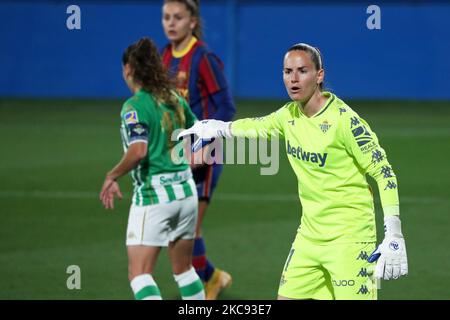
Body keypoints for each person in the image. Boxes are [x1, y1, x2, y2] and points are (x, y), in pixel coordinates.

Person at [177, 43, 408, 300]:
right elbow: (257, 127)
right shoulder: (289, 115)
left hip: (349, 240)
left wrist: (394, 232)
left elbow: (384, 172)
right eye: (288, 71)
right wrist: (216, 128)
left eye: (302, 71)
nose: (293, 79)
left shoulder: (345, 121)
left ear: (319, 75)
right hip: (309, 237)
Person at [99, 37, 204, 300]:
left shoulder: (134, 106)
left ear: (128, 70)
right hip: (186, 193)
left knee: (140, 274)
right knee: (184, 270)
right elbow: (200, 134)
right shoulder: (174, 99)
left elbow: (138, 151)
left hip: (154, 196)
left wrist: (112, 175)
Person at [160, 0, 236, 300]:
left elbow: (226, 107)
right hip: (175, 155)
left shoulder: (203, 57)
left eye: (178, 17)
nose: (171, 23)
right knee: (177, 230)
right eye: (166, 17)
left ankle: (207, 285)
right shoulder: (165, 56)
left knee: (186, 230)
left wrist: (204, 147)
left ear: (192, 22)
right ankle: (213, 276)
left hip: (204, 155)